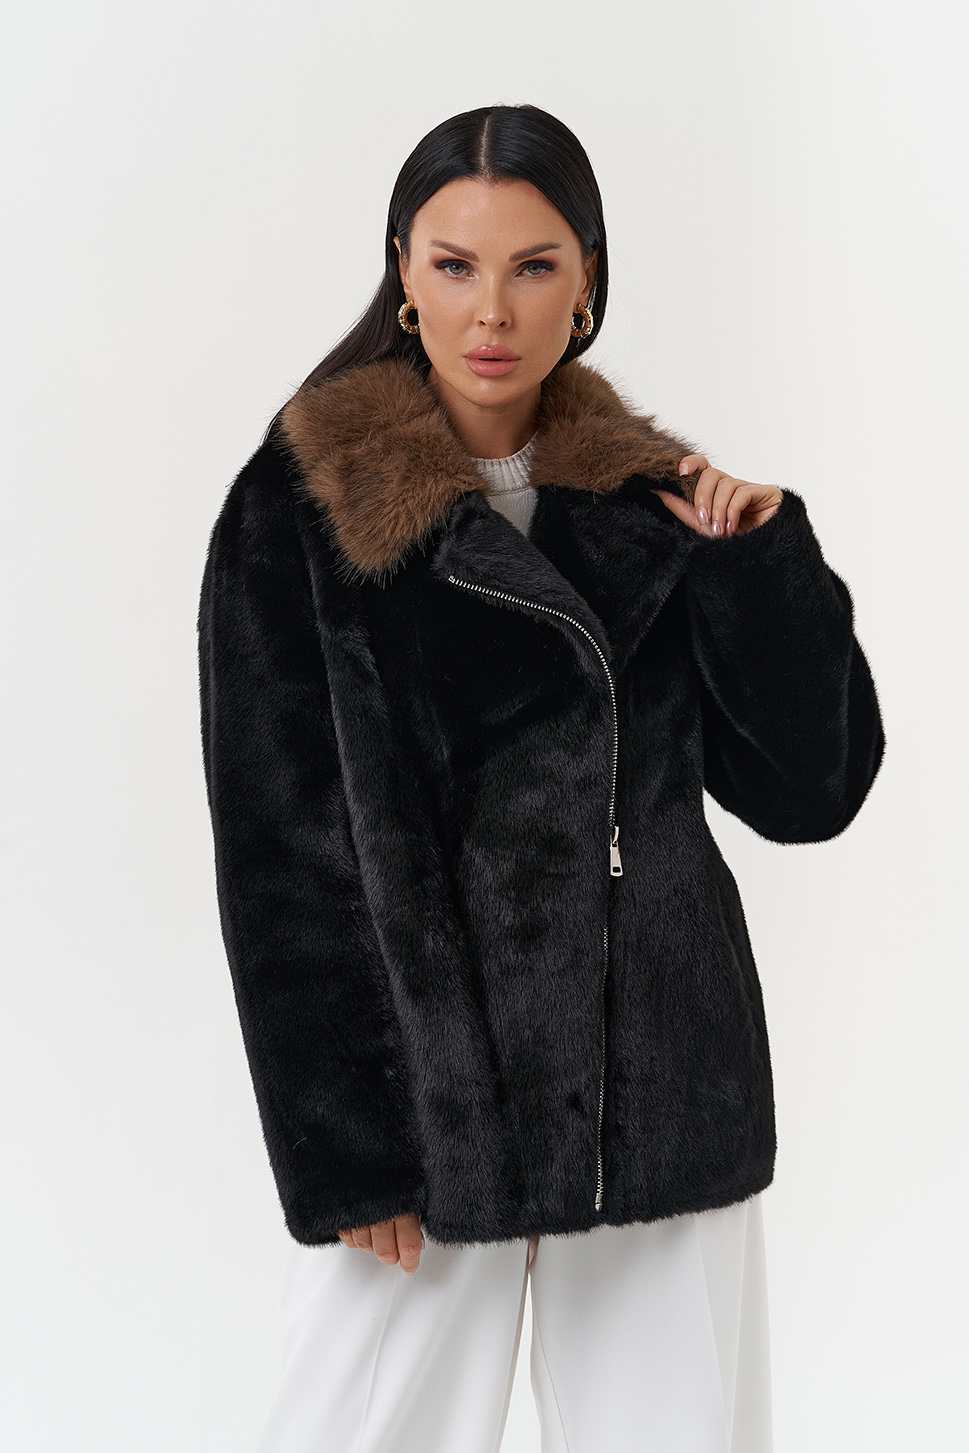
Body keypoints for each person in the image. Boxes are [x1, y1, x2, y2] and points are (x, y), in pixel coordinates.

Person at [197, 104, 885, 1453]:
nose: (491, 311)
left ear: (588, 280)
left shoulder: (651, 503)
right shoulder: (302, 506)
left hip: (657, 1095)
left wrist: (758, 570)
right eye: (454, 264)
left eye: (533, 266)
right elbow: (280, 856)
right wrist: (347, 1149)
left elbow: (808, 794)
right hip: (429, 1109)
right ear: (402, 270)